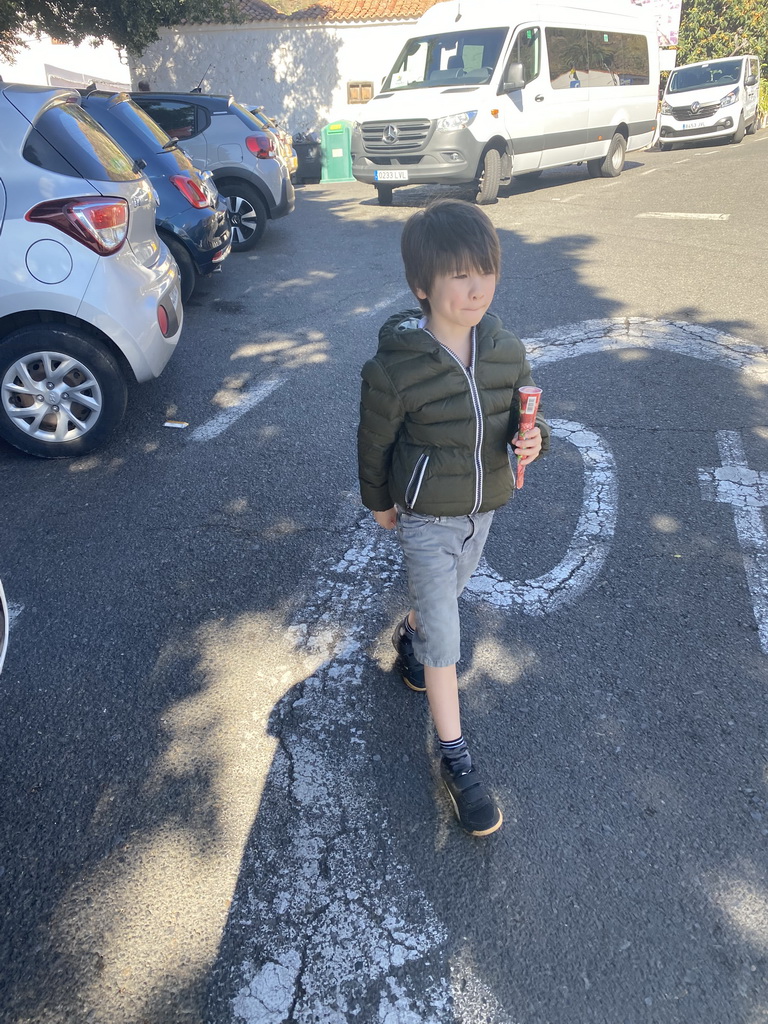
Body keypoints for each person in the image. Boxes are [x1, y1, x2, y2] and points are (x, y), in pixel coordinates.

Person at [357, 198, 549, 837]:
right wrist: (379, 500)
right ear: (422, 286)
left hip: (482, 508)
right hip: (426, 515)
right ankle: (456, 756)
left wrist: (532, 440)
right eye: (460, 276)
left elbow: (519, 420)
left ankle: (409, 638)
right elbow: (374, 440)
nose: (477, 289)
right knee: (447, 630)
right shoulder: (394, 367)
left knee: (444, 601)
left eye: (486, 272)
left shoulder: (504, 350)